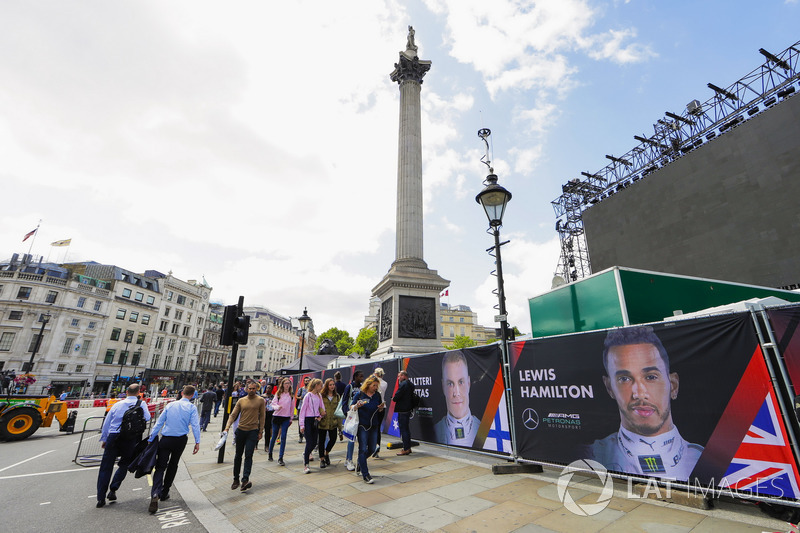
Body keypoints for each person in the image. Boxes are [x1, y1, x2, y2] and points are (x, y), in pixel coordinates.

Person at [584, 325, 703, 479]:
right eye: (624, 379)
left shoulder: (706, 461)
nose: (639, 393)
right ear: (609, 387)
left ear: (673, 385)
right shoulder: (591, 456)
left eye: (651, 377)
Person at [96, 383, 151, 508]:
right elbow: (147, 417)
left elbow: (107, 423)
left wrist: (105, 439)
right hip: (130, 438)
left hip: (114, 436)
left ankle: (100, 498)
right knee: (124, 464)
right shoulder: (141, 404)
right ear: (138, 393)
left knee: (106, 467)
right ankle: (113, 488)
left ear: (126, 392)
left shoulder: (117, 404)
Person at [147, 385, 201, 514]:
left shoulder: (170, 405)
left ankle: (155, 492)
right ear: (193, 395)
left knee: (160, 466)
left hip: (166, 439)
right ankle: (165, 492)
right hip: (180, 440)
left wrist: (151, 437)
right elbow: (195, 425)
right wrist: (197, 441)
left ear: (182, 393)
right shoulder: (192, 408)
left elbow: (159, 422)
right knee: (173, 464)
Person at [224, 381, 265, 491]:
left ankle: (245, 480)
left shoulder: (261, 400)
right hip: (241, 430)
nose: (251, 390)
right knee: (238, 455)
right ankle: (235, 479)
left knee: (248, 455)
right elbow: (233, 415)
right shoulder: (241, 401)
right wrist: (227, 427)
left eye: (253, 388)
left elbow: (262, 417)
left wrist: (261, 431)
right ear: (246, 389)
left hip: (253, 431)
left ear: (256, 389)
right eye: (250, 388)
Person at [434, 352, 480, 446]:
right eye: (450, 384)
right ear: (443, 386)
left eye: (461, 382)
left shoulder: (485, 429)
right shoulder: (434, 431)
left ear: (468, 383)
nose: (456, 393)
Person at [351, 375, 385, 484]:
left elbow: (380, 409)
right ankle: (366, 475)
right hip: (362, 425)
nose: (375, 387)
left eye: (377, 385)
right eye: (374, 385)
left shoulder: (377, 396)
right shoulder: (360, 394)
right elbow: (351, 407)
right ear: (368, 384)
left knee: (372, 448)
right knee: (363, 449)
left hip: (374, 425)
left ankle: (361, 461)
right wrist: (357, 406)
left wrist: (380, 409)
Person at [299, 378, 325, 474]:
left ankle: (306, 453)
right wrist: (302, 425)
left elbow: (322, 408)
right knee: (309, 442)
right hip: (308, 420)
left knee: (314, 443)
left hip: (315, 420)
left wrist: (320, 417)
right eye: (320, 385)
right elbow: (303, 410)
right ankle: (306, 464)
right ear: (315, 385)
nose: (321, 387)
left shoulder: (319, 396)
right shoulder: (308, 396)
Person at [268, 378, 295, 466]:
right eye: (286, 383)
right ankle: (270, 452)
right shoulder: (278, 394)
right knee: (274, 435)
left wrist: (291, 418)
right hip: (277, 416)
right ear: (282, 385)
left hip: (286, 418)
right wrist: (277, 407)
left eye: (289, 383)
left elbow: (292, 408)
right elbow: (273, 403)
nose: (287, 385)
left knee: (283, 437)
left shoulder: (291, 395)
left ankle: (281, 457)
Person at [342, 370, 364, 471]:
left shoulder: (363, 387)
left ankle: (348, 459)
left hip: (360, 415)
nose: (362, 378)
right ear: (355, 377)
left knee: (356, 439)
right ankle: (349, 460)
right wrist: (346, 413)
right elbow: (345, 401)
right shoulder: (349, 387)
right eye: (360, 376)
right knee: (351, 438)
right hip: (351, 414)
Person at [318, 378, 342, 467]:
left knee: (333, 439)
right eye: (330, 385)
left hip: (333, 422)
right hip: (323, 421)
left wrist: (340, 427)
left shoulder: (337, 396)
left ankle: (326, 453)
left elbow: (339, 410)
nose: (332, 386)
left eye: (333, 384)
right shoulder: (321, 395)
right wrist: (321, 411)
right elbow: (318, 406)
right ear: (326, 386)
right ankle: (322, 459)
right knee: (321, 441)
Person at [392, 370, 413, 456]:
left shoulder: (403, 384)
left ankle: (406, 448)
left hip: (403, 410)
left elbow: (396, 397)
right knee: (406, 429)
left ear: (404, 376)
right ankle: (408, 447)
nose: (398, 378)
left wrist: (393, 398)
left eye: (399, 376)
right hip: (408, 409)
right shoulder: (411, 384)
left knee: (403, 429)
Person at [372, 368, 388, 458]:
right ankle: (377, 447)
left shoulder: (374, 383)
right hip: (383, 406)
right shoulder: (385, 383)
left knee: (373, 428)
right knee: (378, 428)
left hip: (375, 407)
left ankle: (374, 446)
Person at [295, 376, 310, 443]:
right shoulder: (301, 389)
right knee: (300, 423)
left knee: (307, 423)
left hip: (308, 408)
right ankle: (300, 436)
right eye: (305, 381)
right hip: (301, 407)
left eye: (308, 381)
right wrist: (300, 397)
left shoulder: (310, 390)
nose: (307, 382)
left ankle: (306, 436)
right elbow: (296, 396)